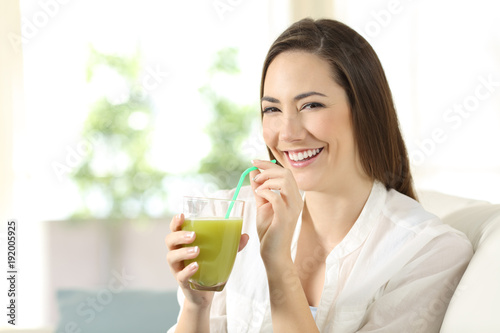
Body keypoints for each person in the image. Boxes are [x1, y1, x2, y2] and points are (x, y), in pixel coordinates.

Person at [165, 18, 473, 333]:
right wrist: (196, 306)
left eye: (311, 105)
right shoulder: (231, 218)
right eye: (272, 109)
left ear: (365, 110)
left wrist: (278, 262)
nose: (288, 133)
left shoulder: (428, 252)